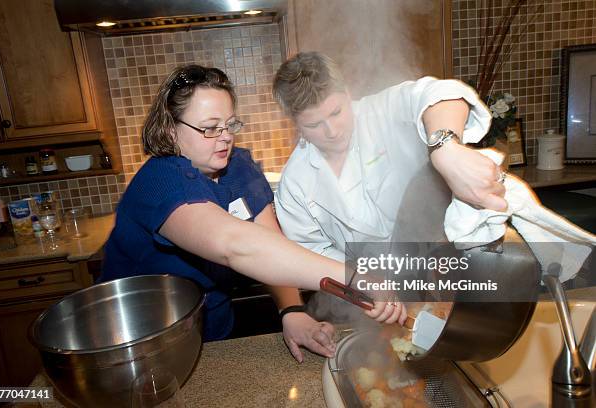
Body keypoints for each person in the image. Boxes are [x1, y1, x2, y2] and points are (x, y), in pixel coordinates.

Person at [101, 65, 405, 361]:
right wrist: (353, 278)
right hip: (142, 347)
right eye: (209, 128)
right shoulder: (160, 182)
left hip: (214, 335)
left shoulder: (238, 167)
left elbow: (271, 246)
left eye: (229, 124)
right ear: (170, 130)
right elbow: (236, 245)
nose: (225, 137)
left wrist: (292, 310)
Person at [273, 52, 506, 261]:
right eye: (314, 124)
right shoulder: (295, 183)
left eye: (336, 112)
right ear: (296, 124)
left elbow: (442, 93)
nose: (332, 131)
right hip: (365, 292)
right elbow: (311, 253)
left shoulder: (381, 112)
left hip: (440, 262)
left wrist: (446, 149)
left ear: (347, 93)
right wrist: (362, 276)